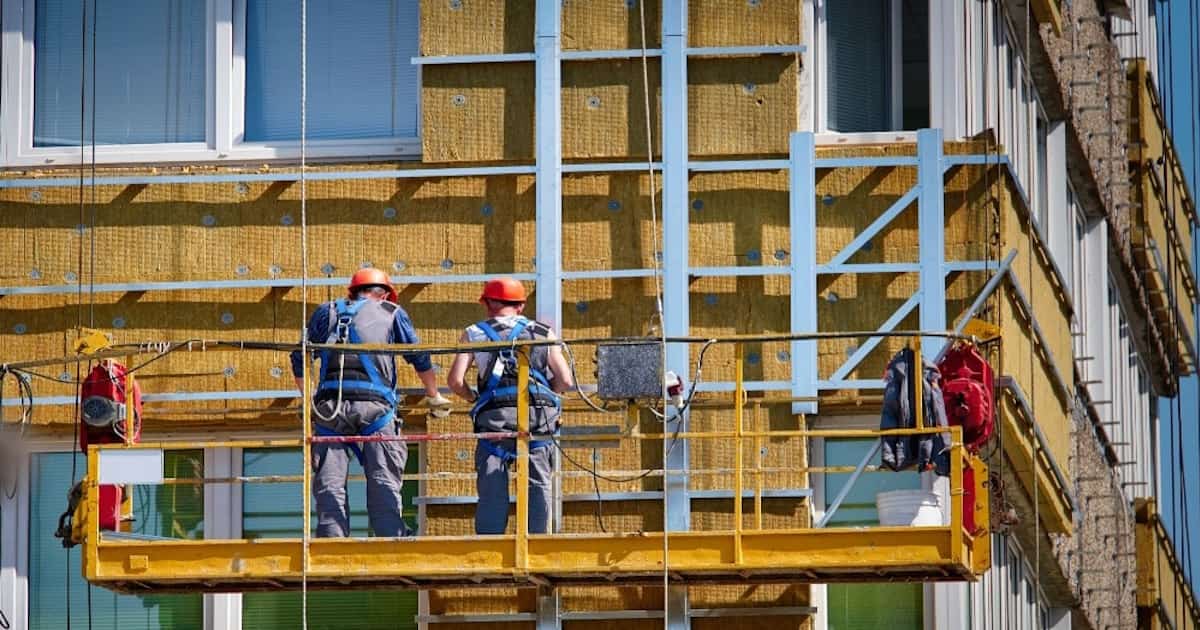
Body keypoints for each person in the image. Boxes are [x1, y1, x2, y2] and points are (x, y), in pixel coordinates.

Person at [291, 267, 450, 537]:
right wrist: (433, 394)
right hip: (375, 409)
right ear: (385, 293)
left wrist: (309, 401)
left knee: (329, 482)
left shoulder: (326, 311)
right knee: (383, 478)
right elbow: (419, 356)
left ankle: (332, 541)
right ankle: (389, 537)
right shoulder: (391, 313)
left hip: (330, 410)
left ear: (353, 291)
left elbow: (298, 358)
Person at [447, 278, 574, 535]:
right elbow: (566, 380)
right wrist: (544, 392)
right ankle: (537, 541)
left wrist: (475, 399)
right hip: (537, 419)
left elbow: (455, 381)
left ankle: (490, 544)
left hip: (495, 420)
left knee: (492, 486)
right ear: (520, 306)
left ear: (488, 304)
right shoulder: (543, 332)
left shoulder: (474, 332)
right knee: (538, 484)